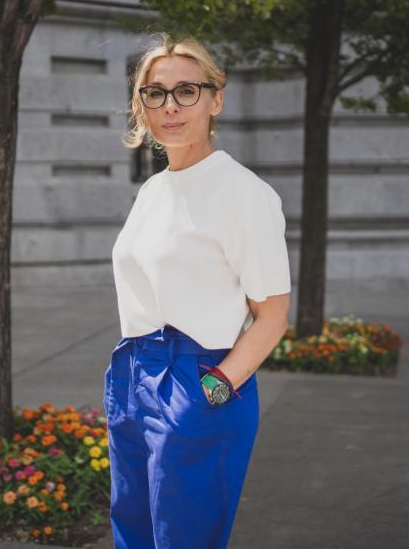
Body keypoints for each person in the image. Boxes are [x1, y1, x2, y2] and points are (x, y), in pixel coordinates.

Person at [104, 33, 291, 549]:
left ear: (216, 100)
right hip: (133, 372)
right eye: (155, 93)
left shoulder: (244, 194)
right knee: (133, 534)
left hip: (197, 377)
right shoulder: (153, 190)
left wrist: (213, 391)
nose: (170, 106)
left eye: (187, 91)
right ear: (141, 106)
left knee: (181, 539)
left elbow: (272, 316)